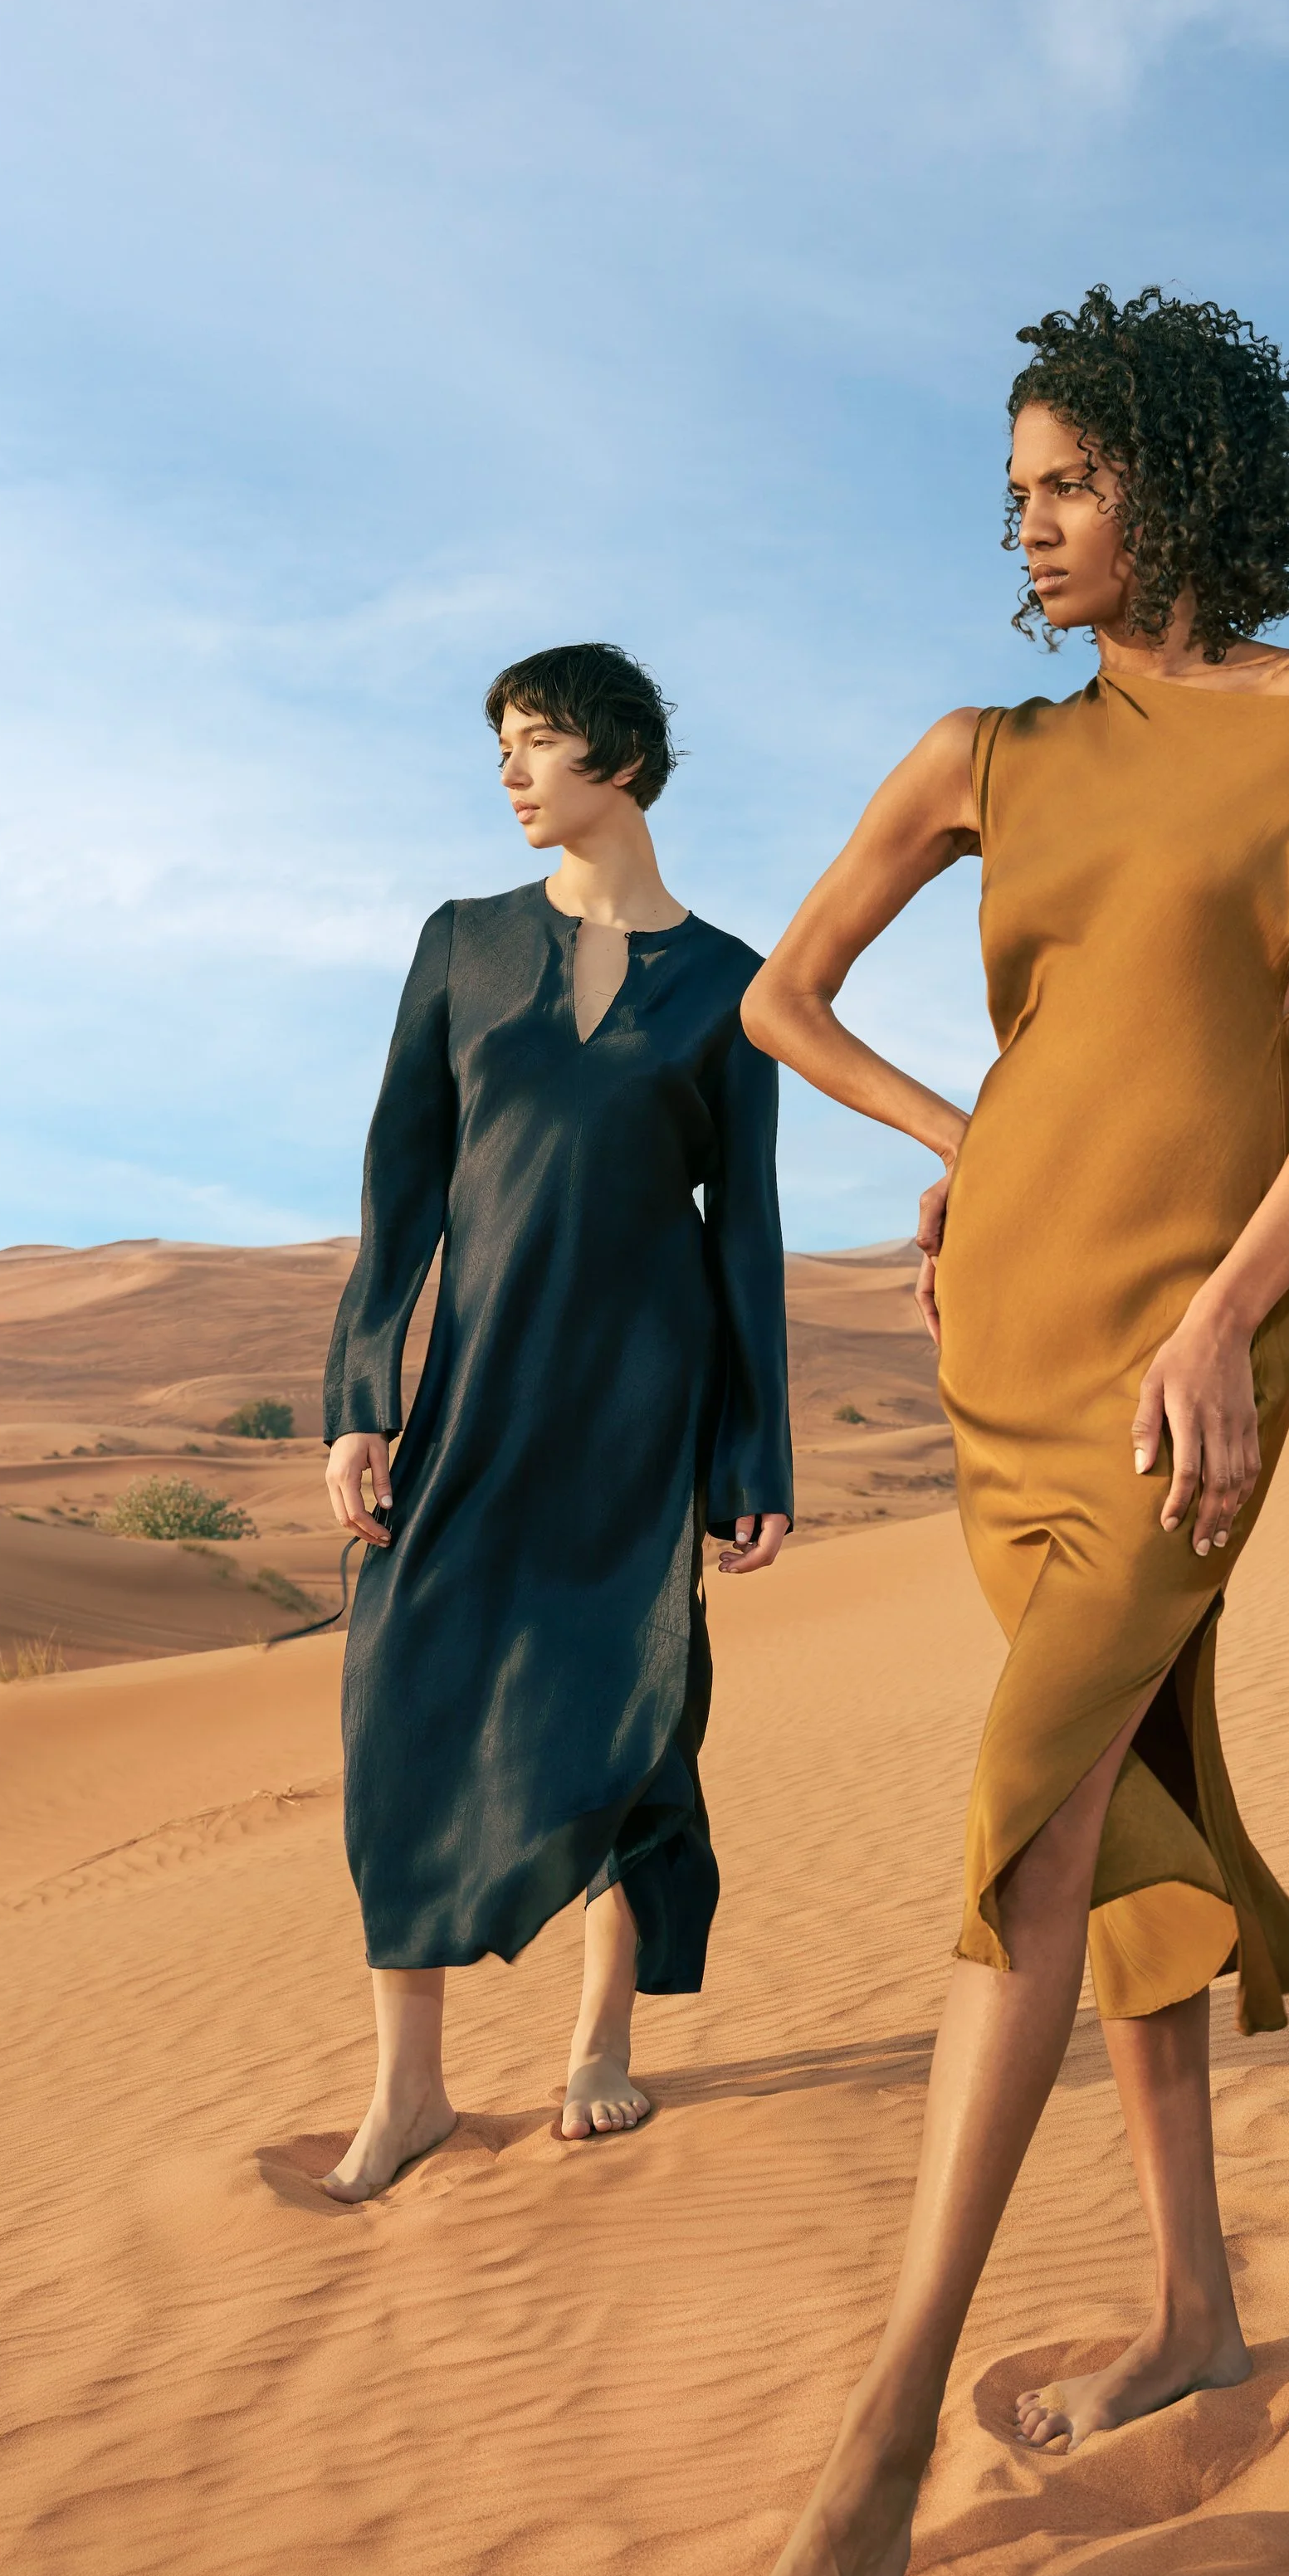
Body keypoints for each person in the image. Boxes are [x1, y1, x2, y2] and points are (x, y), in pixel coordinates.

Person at [691, 286, 1289, 2576]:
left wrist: (1228, 1301)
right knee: (1107, 1820)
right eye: (1011, 488)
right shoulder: (980, 749)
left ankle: (880, 2437)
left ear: (1178, 482)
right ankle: (1198, 2307)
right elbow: (776, 997)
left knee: (1029, 1806)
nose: (1023, 524)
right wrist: (960, 1133)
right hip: (1004, 1339)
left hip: (1183, 1363)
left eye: (1063, 480)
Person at [320, 642, 793, 2200]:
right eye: (503, 749)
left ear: (627, 759)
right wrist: (361, 1397)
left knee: (633, 1714)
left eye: (536, 744)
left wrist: (753, 1457)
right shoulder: (461, 945)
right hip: (473, 1396)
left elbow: (746, 1235)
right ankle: (410, 2089)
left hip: (644, 1414)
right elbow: (397, 1191)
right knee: (404, 1707)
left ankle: (601, 2042)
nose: (511, 774)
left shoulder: (732, 984)